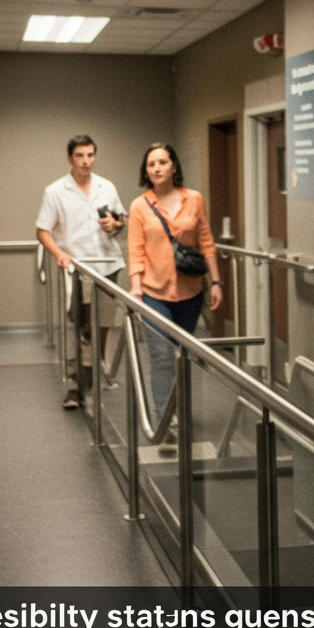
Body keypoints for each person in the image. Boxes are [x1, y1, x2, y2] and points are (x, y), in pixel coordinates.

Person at [128, 143, 223, 421]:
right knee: (160, 356)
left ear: (174, 166)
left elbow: (206, 241)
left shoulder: (193, 199)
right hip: (153, 292)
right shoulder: (139, 206)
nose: (157, 168)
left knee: (182, 355)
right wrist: (135, 287)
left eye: (162, 162)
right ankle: (163, 418)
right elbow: (135, 249)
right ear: (146, 171)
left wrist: (216, 282)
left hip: (190, 292)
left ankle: (179, 409)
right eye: (151, 164)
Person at [36, 134, 125, 409]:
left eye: (90, 155)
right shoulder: (55, 191)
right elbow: (43, 231)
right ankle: (77, 386)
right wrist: (60, 254)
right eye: (80, 156)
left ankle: (94, 371)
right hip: (78, 269)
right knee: (82, 328)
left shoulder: (106, 187)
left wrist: (114, 225)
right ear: (69, 158)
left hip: (108, 265)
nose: (86, 161)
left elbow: (120, 220)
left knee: (102, 326)